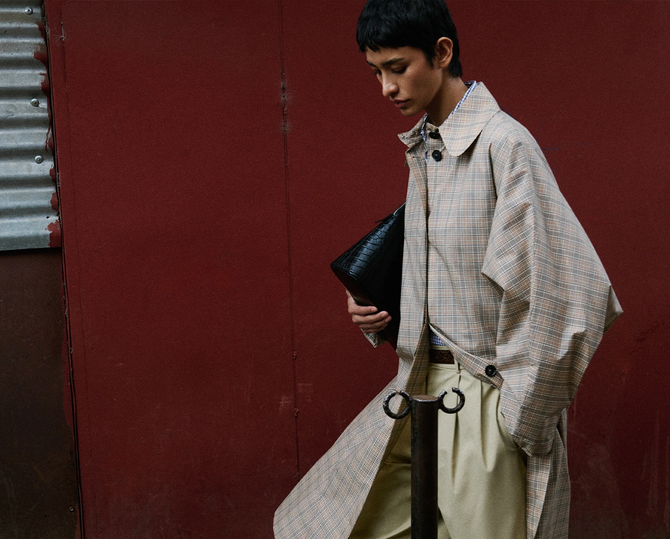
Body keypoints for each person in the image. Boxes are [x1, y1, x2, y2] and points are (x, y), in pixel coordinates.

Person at [274, 1, 622, 538]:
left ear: (441, 53)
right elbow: (449, 270)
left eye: (398, 67)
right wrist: (380, 309)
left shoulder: (504, 145)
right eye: (376, 72)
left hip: (484, 401)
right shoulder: (428, 147)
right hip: (415, 387)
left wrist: (519, 420)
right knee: (326, 525)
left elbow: (574, 294)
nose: (387, 87)